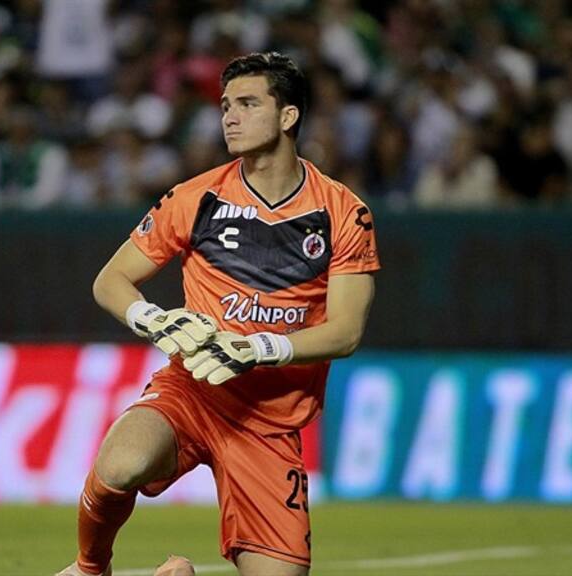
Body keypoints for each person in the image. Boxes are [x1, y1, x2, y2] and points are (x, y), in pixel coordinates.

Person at [56, 52, 380, 576]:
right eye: (226, 105)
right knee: (122, 463)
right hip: (193, 390)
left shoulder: (343, 213)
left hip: (269, 424)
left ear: (288, 116)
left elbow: (345, 332)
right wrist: (155, 321)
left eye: (248, 104)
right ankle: (90, 568)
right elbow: (110, 281)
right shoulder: (197, 196)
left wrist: (257, 349)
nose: (229, 116)